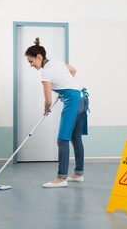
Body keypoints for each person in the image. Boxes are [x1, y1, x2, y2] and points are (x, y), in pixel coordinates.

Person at [25, 38, 89, 188]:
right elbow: (73, 70)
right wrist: (64, 87)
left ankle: (61, 179)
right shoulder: (57, 62)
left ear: (39, 57)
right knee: (75, 137)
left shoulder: (46, 73)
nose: (31, 65)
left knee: (62, 140)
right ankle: (79, 173)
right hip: (82, 98)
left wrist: (46, 109)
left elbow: (47, 101)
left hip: (73, 100)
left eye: (31, 61)